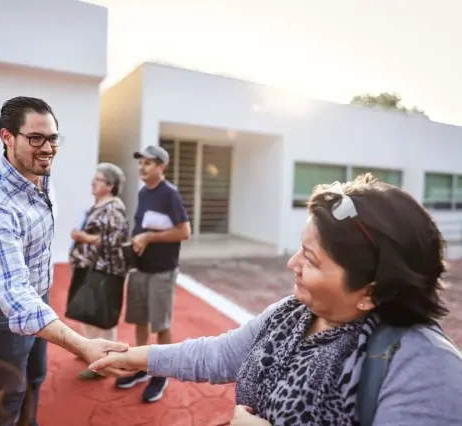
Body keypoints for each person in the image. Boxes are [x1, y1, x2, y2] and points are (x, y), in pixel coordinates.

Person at [91, 174, 462, 425]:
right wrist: (135, 358)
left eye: (311, 259)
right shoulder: (291, 314)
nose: (292, 264)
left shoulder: (425, 367)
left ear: (371, 291)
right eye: (300, 249)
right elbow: (218, 355)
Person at [0, 96, 127, 426]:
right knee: (4, 403)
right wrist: (81, 345)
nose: (48, 148)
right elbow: (13, 295)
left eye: (52, 138)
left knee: (34, 378)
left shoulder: (38, 172)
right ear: (6, 137)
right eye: (36, 138)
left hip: (37, 298)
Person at [115, 145, 191, 403]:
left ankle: (161, 373)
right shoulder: (144, 192)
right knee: (140, 321)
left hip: (162, 271)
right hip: (140, 268)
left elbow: (184, 232)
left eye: (148, 163)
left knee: (161, 324)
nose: (142, 167)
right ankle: (141, 367)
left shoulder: (170, 194)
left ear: (161, 167)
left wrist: (149, 236)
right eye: (141, 163)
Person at [68, 162, 129, 380]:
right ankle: (92, 350)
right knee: (87, 313)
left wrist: (84, 238)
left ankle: (104, 362)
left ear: (110, 185)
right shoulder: (99, 205)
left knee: (99, 318)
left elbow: (115, 240)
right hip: (90, 267)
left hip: (104, 271)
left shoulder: (113, 208)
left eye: (98, 179)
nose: (93, 183)